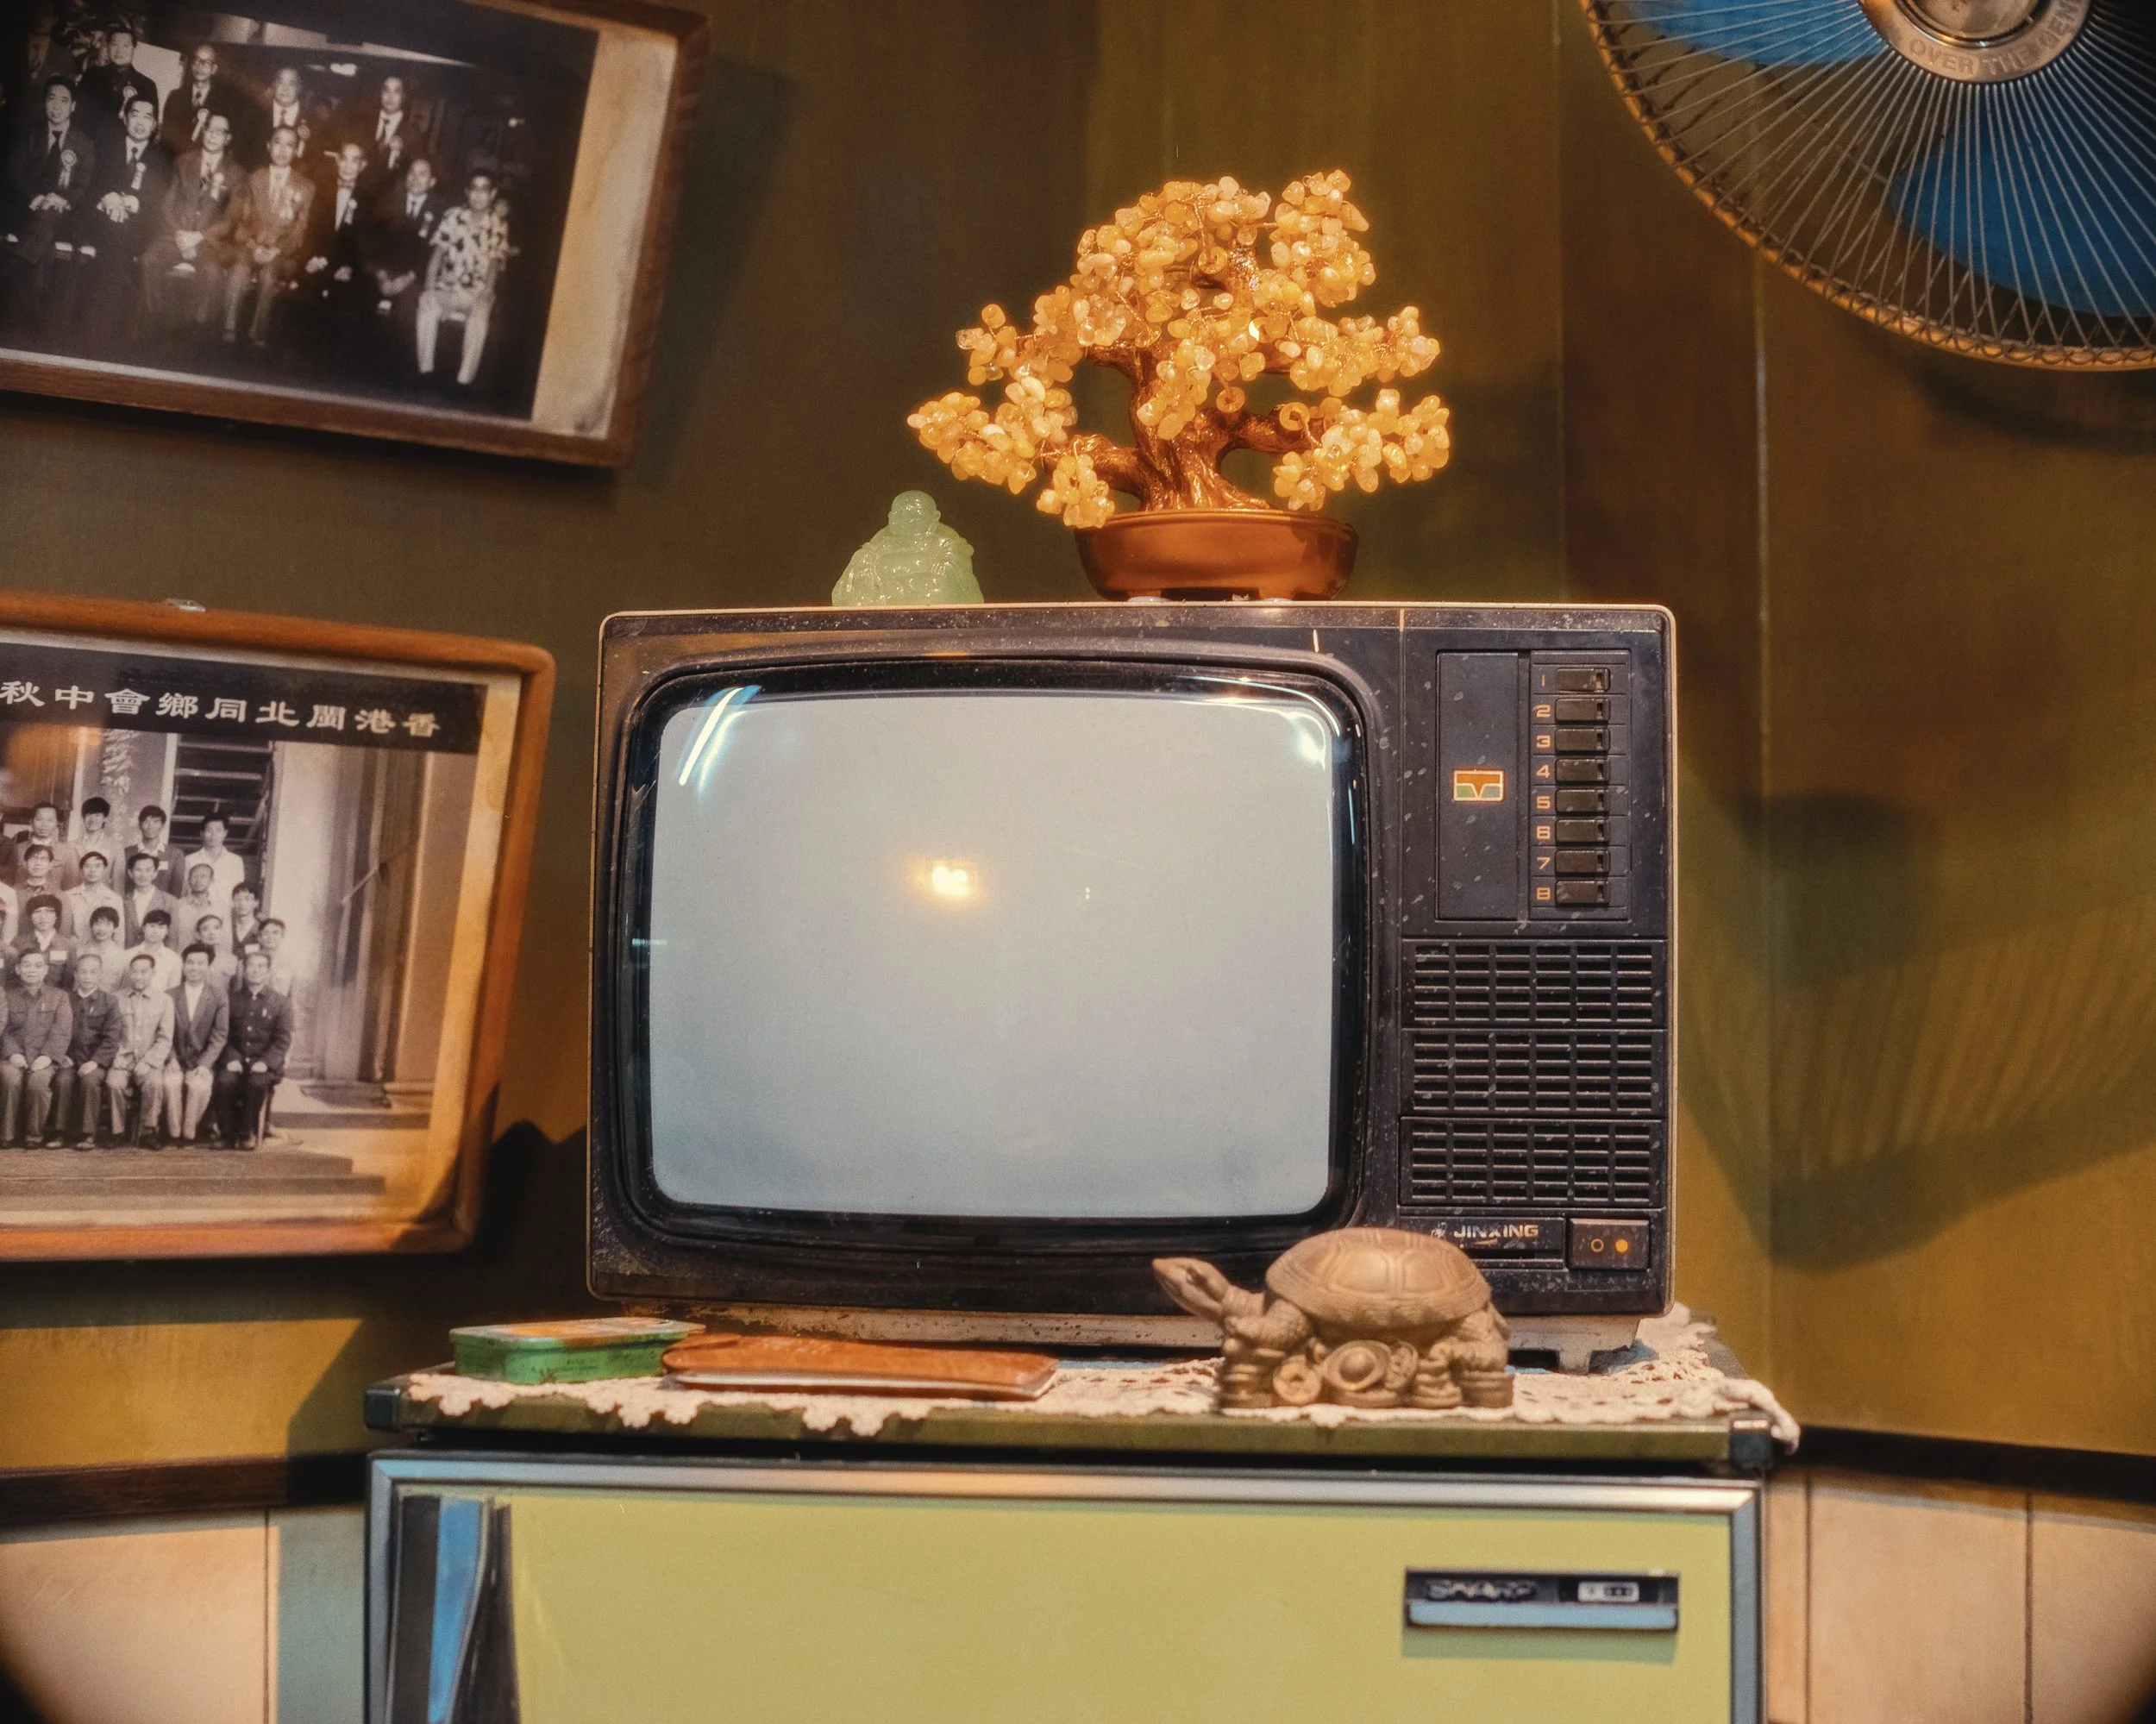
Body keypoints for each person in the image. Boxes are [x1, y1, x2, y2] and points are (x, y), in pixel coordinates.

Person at [79, 96, 171, 338]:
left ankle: (94, 323)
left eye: (147, 117)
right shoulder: (105, 148)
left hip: (138, 229)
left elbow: (157, 203)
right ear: (125, 118)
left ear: (155, 124)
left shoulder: (162, 160)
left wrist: (133, 203)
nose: (140, 122)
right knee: (114, 239)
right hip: (102, 222)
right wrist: (106, 199)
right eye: (134, 115)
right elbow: (89, 185)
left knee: (118, 241)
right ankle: (108, 327)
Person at [416, 171, 509, 387]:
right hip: (447, 288)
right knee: (426, 303)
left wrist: (488, 291)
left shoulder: (497, 224)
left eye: (484, 190)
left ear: (492, 194)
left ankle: (464, 381)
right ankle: (425, 372)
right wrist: (429, 284)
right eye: (474, 189)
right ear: (467, 192)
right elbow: (438, 252)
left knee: (479, 318)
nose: (478, 195)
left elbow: (495, 262)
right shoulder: (453, 216)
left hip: (476, 292)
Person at [5, 78, 98, 295]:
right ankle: (29, 299)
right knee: (44, 240)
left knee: (48, 218)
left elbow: (84, 184)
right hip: (29, 208)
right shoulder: (29, 134)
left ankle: (9, 272)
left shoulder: (84, 143)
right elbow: (15, 173)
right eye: (51, 99)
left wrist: (61, 200)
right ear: (44, 103)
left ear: (73, 106)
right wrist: (37, 197)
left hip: (65, 215)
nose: (56, 106)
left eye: (64, 101)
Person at [223, 126, 314, 347]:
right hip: (251, 246)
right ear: (269, 146)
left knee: (268, 276)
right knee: (238, 271)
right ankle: (228, 330)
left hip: (280, 253)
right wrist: (253, 245)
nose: (282, 150)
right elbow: (241, 223)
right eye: (277, 143)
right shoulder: (253, 179)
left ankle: (258, 334)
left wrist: (277, 250)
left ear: (296, 150)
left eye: (289, 145)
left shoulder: (305, 186)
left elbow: (299, 231)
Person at [360, 155, 442, 368]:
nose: (415, 179)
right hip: (383, 273)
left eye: (422, 174)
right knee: (361, 304)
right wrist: (382, 276)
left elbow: (431, 255)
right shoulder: (389, 200)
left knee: (405, 314)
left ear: (432, 182)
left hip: (414, 278)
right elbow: (372, 244)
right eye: (411, 173)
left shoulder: (439, 212)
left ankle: (395, 370)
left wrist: (405, 279)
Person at [217, 947, 290, 1150]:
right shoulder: (230, 999)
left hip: (264, 1062)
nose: (255, 971)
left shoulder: (281, 1002)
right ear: (244, 970)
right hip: (236, 1059)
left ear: (268, 971)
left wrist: (266, 1062)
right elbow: (222, 1034)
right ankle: (227, 1133)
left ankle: (247, 1132)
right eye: (251, 966)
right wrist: (231, 1058)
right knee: (223, 1081)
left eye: (261, 967)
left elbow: (282, 1040)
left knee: (257, 1083)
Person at [1, 948, 72, 1147]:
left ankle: (33, 1135)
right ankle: (6, 1135)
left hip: (44, 1057)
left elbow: (62, 1030)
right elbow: (4, 1029)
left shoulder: (59, 996)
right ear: (17, 969)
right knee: (10, 1079)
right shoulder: (7, 996)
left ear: (46, 970)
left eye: (38, 966)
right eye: (26, 965)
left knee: (38, 1083)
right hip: (14, 1056)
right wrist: (12, 1053)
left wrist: (47, 1057)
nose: (32, 970)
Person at [51, 948, 119, 1149]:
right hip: (69, 1059)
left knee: (90, 1081)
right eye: (83, 971)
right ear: (75, 974)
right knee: (62, 1081)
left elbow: (112, 1038)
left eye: (93, 972)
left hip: (95, 1060)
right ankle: (59, 1132)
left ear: (100, 974)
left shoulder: (109, 1001)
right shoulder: (65, 999)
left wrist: (96, 1062)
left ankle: (88, 1134)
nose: (87, 976)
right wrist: (62, 1055)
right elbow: (56, 1030)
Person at [165, 943, 228, 1144]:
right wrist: (171, 1058)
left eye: (201, 963)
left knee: (199, 1086)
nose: (195, 968)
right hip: (176, 1057)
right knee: (170, 1083)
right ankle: (174, 1133)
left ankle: (189, 1132)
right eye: (190, 963)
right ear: (183, 966)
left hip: (201, 1059)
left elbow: (219, 1035)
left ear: (208, 966)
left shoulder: (218, 996)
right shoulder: (170, 995)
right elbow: (163, 1032)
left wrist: (205, 1064)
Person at [109, 950, 172, 1144]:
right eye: (135, 971)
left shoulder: (164, 1000)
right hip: (122, 1059)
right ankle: (118, 1132)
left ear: (153, 973)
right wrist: (115, 1056)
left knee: (155, 1083)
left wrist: (149, 1062)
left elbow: (165, 1038)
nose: (139, 976)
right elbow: (108, 1034)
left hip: (148, 1061)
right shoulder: (115, 998)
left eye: (144, 972)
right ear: (129, 973)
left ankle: (148, 1130)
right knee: (114, 1083)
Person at [73, 23, 159, 145]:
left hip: (125, 149)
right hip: (89, 145)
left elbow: (151, 129)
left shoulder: (147, 85)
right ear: (108, 47)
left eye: (125, 45)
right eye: (114, 44)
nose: (119, 50)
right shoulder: (91, 76)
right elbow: (78, 115)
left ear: (134, 48)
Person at [160, 44, 246, 157]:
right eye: (197, 61)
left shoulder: (224, 103)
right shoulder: (175, 97)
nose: (200, 66)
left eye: (206, 63)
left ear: (214, 69)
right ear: (192, 65)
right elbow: (165, 138)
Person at [347, 75, 415, 186]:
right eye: (386, 90)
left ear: (403, 97)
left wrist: (399, 154)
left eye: (396, 92)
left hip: (390, 193)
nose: (390, 96)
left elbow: (413, 172)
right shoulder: (362, 122)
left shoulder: (412, 133)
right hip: (358, 189)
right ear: (381, 94)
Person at [255, 67, 327, 168]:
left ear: (299, 88)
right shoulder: (256, 115)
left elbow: (317, 162)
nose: (285, 89)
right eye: (281, 82)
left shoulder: (314, 122)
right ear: (274, 85)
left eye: (291, 84)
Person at [9, 805, 78, 889]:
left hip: (53, 897)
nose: (44, 824)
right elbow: (7, 882)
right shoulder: (17, 849)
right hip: (21, 896)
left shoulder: (67, 851)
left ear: (57, 823)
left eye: (50, 820)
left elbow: (71, 886)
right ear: (31, 822)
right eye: (39, 819)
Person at [124, 803, 185, 897]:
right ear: (140, 825)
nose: (150, 826)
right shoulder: (127, 853)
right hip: (133, 902)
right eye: (146, 822)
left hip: (164, 904)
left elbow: (177, 888)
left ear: (163, 825)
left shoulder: (175, 854)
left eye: (155, 822)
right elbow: (123, 884)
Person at [120, 849, 178, 946]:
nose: (143, 875)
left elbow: (172, 938)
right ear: (130, 873)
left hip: (157, 954)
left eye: (148, 870)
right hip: (127, 953)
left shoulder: (169, 901)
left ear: (155, 873)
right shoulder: (121, 900)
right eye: (138, 870)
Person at [62, 849, 121, 943]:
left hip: (103, 949)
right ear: (81, 870)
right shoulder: (68, 896)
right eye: (87, 866)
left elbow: (119, 935)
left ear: (104, 869)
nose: (92, 870)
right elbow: (64, 932)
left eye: (97, 866)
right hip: (75, 948)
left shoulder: (115, 899)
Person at [14, 893, 72, 986]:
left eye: (49, 912)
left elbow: (68, 980)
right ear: (30, 916)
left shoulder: (67, 945)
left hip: (56, 994)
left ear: (56, 916)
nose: (43, 917)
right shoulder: (19, 943)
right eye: (37, 912)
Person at [125, 907, 180, 994]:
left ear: (167, 931)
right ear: (144, 928)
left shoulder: (174, 959)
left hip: (161, 1002)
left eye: (161, 927)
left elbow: (173, 992)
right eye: (152, 926)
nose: (155, 931)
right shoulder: (128, 955)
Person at [16, 847, 68, 934]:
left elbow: (65, 930)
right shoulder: (12, 892)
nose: (38, 863)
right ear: (25, 864)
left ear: (50, 866)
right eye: (33, 859)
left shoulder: (60, 895)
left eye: (43, 859)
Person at [77, 904, 127, 988]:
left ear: (115, 928)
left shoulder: (122, 956)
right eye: (97, 924)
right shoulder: (80, 952)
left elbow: (124, 988)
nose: (101, 929)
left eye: (107, 924)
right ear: (91, 926)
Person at [72, 796, 117, 883]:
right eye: (89, 815)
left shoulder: (116, 847)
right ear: (83, 819)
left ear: (105, 819)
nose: (93, 819)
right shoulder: (70, 846)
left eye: (97, 815)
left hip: (103, 891)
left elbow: (118, 884)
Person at [191, 913, 237, 988]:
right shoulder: (191, 958)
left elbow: (236, 990)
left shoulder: (232, 959)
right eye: (205, 929)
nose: (212, 933)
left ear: (222, 932)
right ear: (198, 935)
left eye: (216, 928)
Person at [225, 883, 262, 955]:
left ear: (256, 903)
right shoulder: (226, 927)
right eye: (238, 899)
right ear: (233, 902)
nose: (242, 903)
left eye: (247, 899)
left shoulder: (261, 929)